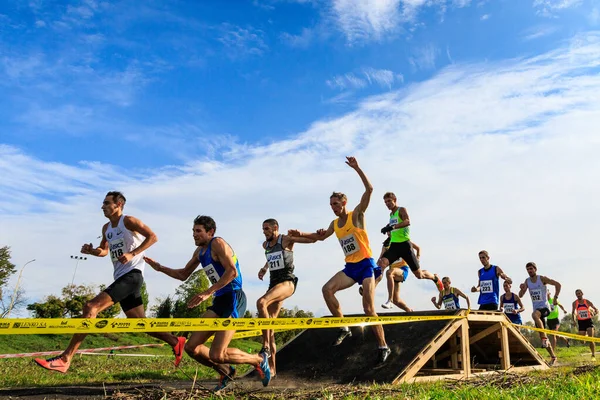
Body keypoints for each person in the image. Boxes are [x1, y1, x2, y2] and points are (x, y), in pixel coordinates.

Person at [34, 191, 186, 373]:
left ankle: (65, 359)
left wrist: (133, 253)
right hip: (121, 276)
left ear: (119, 204)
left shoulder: (128, 221)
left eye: (107, 203)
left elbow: (153, 237)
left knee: (91, 307)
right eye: (103, 203)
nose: (102, 207)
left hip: (133, 275)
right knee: (139, 323)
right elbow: (104, 250)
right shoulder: (106, 228)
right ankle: (175, 341)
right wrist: (92, 251)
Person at [144, 215, 270, 391]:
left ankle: (258, 360)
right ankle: (225, 371)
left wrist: (207, 292)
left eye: (198, 231)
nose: (194, 235)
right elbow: (183, 274)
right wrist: (160, 268)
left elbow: (232, 272)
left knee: (218, 353)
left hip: (234, 297)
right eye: (193, 231)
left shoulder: (217, 243)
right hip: (220, 299)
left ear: (210, 232)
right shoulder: (200, 252)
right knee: (191, 347)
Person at [287, 156, 391, 364]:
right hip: (350, 268)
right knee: (327, 289)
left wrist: (357, 168)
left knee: (369, 309)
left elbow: (369, 190)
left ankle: (383, 345)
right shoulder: (335, 223)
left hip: (366, 266)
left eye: (335, 204)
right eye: (331, 205)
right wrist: (301, 233)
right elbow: (320, 237)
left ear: (344, 203)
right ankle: (343, 327)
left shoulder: (357, 215)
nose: (333, 207)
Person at [256, 218, 315, 377]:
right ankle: (273, 369)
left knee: (261, 302)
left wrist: (310, 235)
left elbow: (310, 241)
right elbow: (271, 257)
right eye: (263, 229)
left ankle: (266, 346)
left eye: (267, 229)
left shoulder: (286, 239)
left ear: (275, 227)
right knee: (271, 326)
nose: (264, 232)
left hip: (287, 282)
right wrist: (264, 268)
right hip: (273, 284)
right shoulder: (265, 245)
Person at [378, 192, 443, 292]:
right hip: (395, 246)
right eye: (385, 202)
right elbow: (393, 225)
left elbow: (407, 221)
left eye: (389, 201)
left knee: (419, 275)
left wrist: (392, 227)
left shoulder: (401, 209)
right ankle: (371, 286)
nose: (387, 203)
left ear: (394, 200)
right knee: (382, 263)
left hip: (405, 245)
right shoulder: (391, 214)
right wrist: (387, 227)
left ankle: (434, 277)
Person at [518, 262, 560, 365]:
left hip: (545, 308)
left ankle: (544, 338)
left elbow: (558, 284)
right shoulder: (527, 281)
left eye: (531, 269)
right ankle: (553, 356)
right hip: (537, 311)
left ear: (535, 269)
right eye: (528, 269)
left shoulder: (542, 279)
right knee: (542, 335)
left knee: (534, 315)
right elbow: (520, 295)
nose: (529, 271)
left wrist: (555, 297)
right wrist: (522, 289)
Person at [380, 234, 416, 311]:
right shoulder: (386, 245)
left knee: (389, 272)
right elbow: (380, 259)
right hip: (394, 274)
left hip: (402, 269)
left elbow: (418, 248)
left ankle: (390, 300)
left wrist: (417, 257)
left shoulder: (401, 239)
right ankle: (409, 311)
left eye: (390, 231)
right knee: (396, 300)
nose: (389, 233)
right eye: (388, 232)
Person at [572, 289, 598, 361]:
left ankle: (593, 355)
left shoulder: (587, 302)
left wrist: (594, 313)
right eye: (577, 294)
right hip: (581, 322)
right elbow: (573, 313)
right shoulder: (574, 303)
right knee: (582, 341)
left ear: (582, 293)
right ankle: (585, 335)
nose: (578, 295)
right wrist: (574, 320)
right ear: (576, 295)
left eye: (579, 293)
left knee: (591, 339)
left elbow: (596, 310)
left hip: (588, 321)